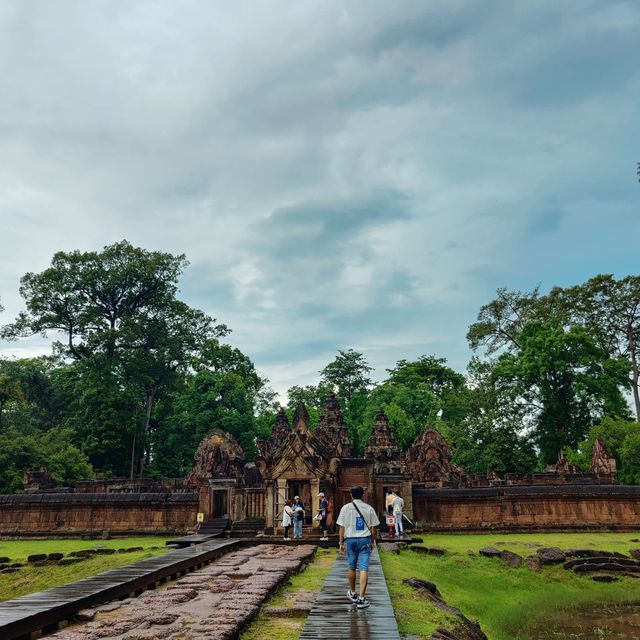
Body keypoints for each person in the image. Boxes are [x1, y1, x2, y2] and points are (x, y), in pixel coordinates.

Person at [336, 486, 380, 609]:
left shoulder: (345, 508)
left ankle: (353, 592)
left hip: (350, 540)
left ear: (351, 495)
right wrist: (373, 541)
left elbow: (341, 527)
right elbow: (374, 528)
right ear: (363, 494)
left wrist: (341, 543)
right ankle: (361, 598)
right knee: (364, 568)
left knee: (351, 566)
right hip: (365, 539)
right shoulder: (369, 508)